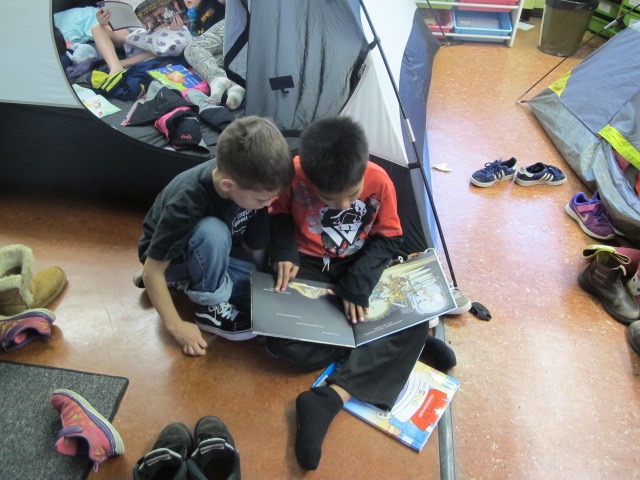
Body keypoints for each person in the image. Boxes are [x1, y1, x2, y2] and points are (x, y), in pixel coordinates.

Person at [266, 116, 456, 470]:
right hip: (308, 266)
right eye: (329, 199)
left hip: (358, 264)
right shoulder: (292, 173)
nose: (342, 206)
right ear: (310, 179)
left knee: (416, 310)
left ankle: (331, 397)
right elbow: (276, 214)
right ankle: (387, 343)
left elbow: (390, 238)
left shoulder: (379, 179)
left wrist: (359, 282)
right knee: (280, 341)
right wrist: (285, 251)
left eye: (352, 195)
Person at [136, 116, 294, 357]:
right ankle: (208, 307)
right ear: (228, 185)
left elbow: (258, 240)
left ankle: (190, 282)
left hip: (218, 251)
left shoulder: (248, 185)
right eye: (263, 199)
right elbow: (151, 271)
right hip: (170, 259)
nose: (268, 204)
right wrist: (176, 326)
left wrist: (263, 279)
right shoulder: (187, 201)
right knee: (213, 232)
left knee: (256, 288)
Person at [183, 0, 245, 109]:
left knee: (192, 49)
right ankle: (234, 87)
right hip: (229, 41)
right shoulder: (194, 15)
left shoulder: (211, 3)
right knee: (202, 64)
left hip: (242, 21)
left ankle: (218, 79)